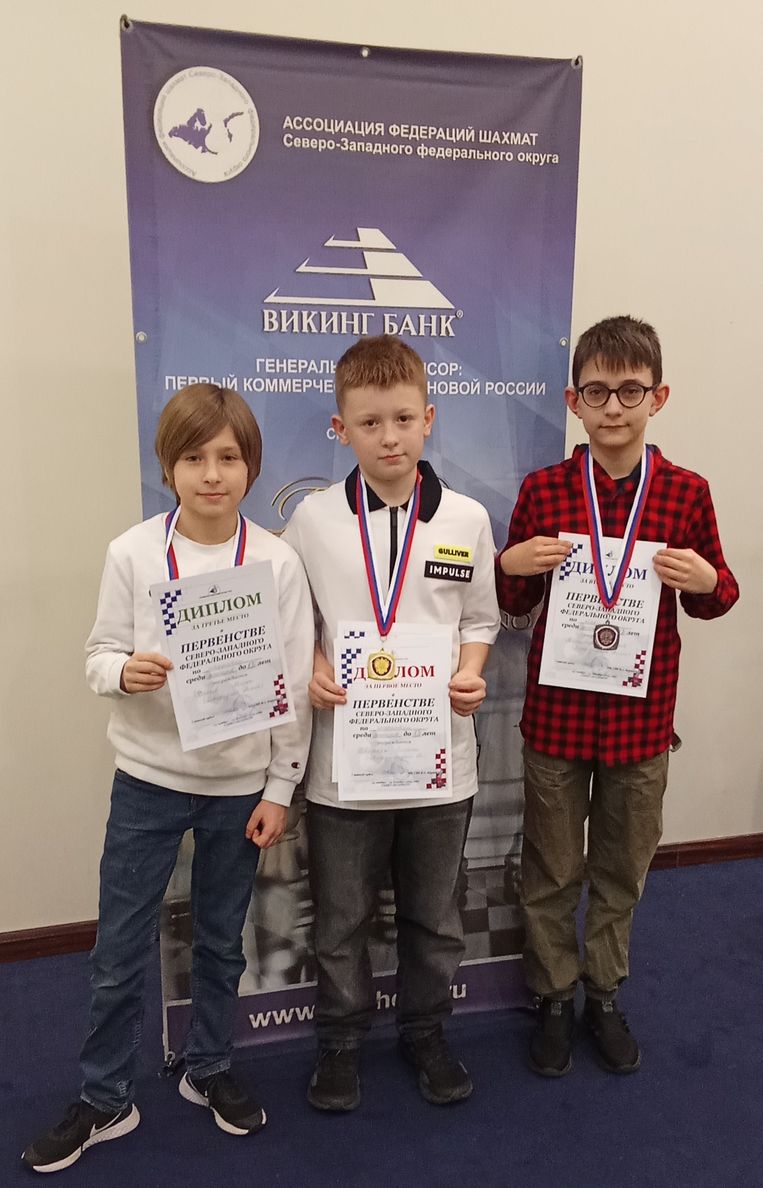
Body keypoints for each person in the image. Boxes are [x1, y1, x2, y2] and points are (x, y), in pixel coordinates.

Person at [23, 384, 313, 1173]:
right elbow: (97, 655)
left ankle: (208, 1067)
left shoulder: (277, 562)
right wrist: (126, 672)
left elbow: (292, 684)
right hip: (148, 781)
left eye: (228, 457)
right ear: (167, 468)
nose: (211, 474)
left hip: (239, 787)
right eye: (193, 457)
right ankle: (105, 1097)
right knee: (118, 948)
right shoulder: (133, 553)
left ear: (251, 467)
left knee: (220, 941)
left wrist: (280, 787)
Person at [496, 315, 738, 1077]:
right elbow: (513, 603)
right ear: (573, 400)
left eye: (629, 391)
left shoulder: (685, 492)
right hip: (557, 722)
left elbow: (715, 597)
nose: (612, 407)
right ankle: (552, 995)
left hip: (640, 723)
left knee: (619, 869)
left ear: (657, 397)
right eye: (596, 391)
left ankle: (601, 993)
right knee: (549, 869)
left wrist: (708, 580)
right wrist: (510, 565)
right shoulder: (543, 490)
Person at [282, 335, 499, 1111]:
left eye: (403, 419)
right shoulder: (311, 520)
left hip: (440, 762)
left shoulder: (467, 518)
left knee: (434, 915)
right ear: (340, 428)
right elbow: (290, 619)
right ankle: (340, 1040)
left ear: (428, 419)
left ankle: (425, 1031)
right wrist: (311, 662)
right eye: (369, 423)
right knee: (341, 917)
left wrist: (469, 670)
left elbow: (480, 618)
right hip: (343, 766)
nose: (388, 437)